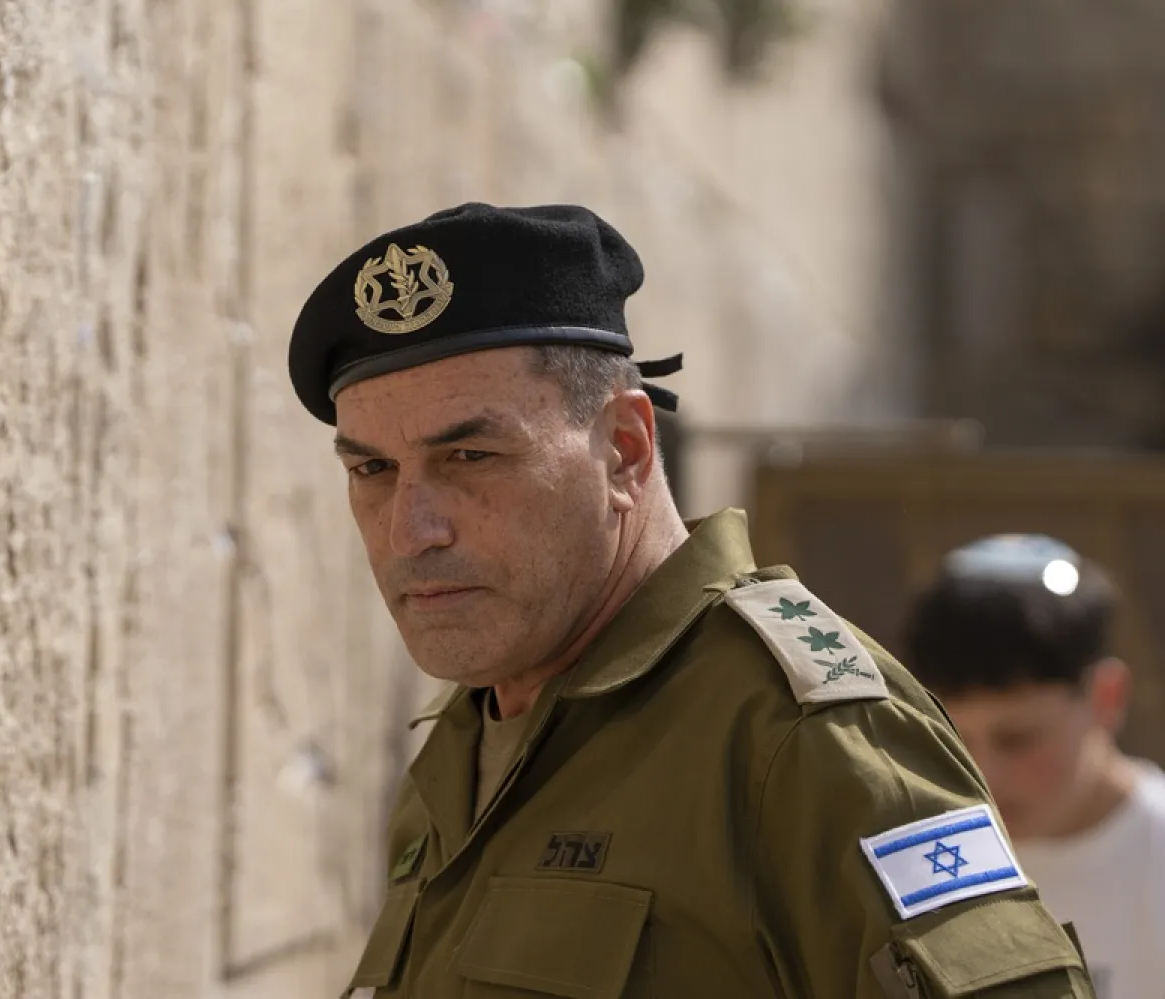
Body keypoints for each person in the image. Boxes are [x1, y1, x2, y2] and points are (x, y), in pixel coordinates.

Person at [287, 202, 1095, 998]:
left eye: (471, 454)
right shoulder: (466, 740)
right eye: (372, 471)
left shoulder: (799, 737)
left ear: (625, 450)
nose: (409, 530)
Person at [906, 535, 1165, 999]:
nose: (982, 774)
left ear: (1106, 697)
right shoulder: (906, 860)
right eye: (952, 740)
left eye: (1017, 739)